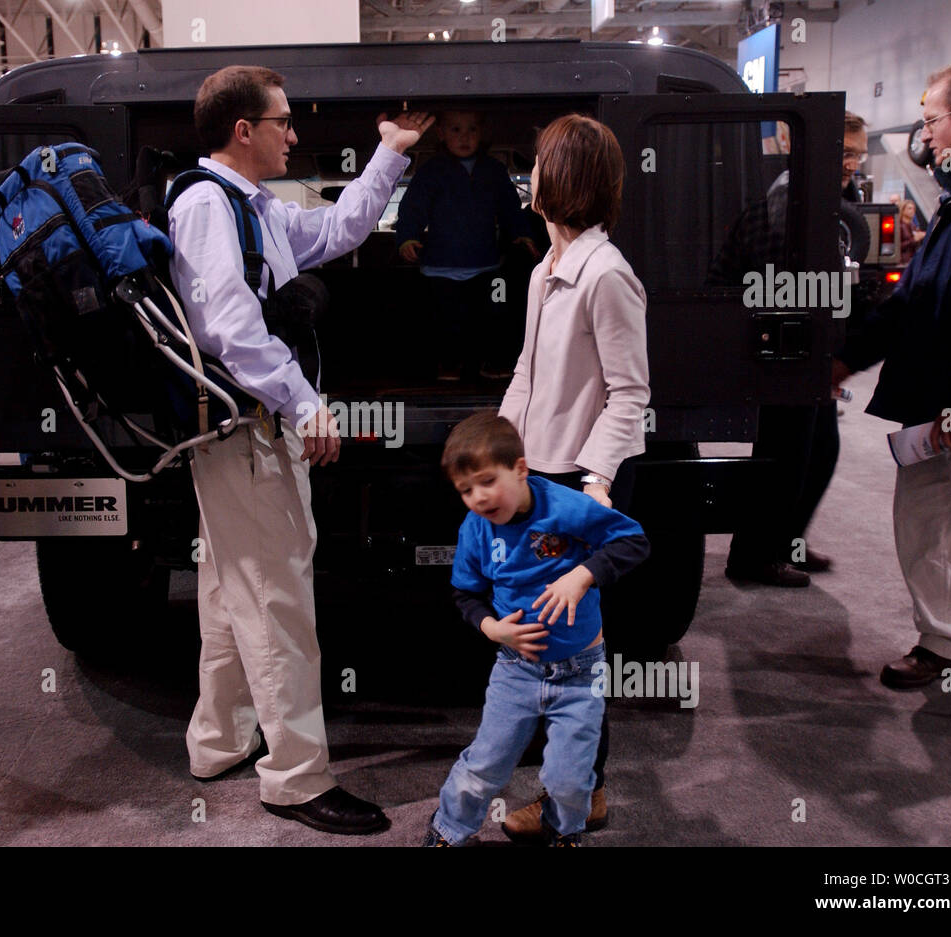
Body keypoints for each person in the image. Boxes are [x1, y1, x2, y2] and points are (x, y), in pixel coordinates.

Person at [167, 65, 432, 834]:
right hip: (249, 432)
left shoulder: (254, 208)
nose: (294, 132)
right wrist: (306, 403)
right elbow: (228, 325)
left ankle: (216, 742)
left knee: (230, 590)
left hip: (242, 434)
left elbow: (341, 231)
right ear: (242, 130)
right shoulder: (210, 206)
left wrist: (390, 152)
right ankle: (295, 778)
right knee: (277, 598)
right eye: (282, 121)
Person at [833, 60, 951, 754]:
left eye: (931, 118)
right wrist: (846, 358)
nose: (923, 132)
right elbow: (916, 300)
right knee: (922, 525)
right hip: (935, 402)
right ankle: (942, 643)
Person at [495, 113, 650, 841]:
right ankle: (568, 785)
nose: (529, 174)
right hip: (535, 474)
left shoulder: (607, 274)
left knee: (575, 651)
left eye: (537, 162)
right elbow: (528, 371)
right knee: (540, 643)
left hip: (574, 483)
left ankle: (579, 796)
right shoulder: (543, 270)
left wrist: (595, 480)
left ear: (560, 179)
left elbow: (630, 392)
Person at [423, 412, 648, 846]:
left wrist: (581, 575)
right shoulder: (476, 529)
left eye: (488, 481)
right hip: (516, 669)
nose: (478, 498)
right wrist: (492, 628)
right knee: (485, 765)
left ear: (521, 469)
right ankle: (449, 827)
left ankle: (564, 830)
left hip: (582, 673)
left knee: (569, 777)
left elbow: (633, 541)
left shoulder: (567, 506)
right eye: (466, 490)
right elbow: (465, 595)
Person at [708, 113, 866, 587]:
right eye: (843, 152)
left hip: (798, 347)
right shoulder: (790, 198)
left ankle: (784, 544)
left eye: (856, 153)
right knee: (785, 456)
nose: (851, 163)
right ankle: (754, 557)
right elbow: (785, 287)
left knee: (816, 452)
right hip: (775, 346)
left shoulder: (822, 197)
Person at [396, 110, 536, 381]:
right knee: (448, 322)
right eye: (455, 130)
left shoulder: (494, 170)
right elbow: (413, 208)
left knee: (492, 318)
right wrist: (407, 237)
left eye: (472, 129)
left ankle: (491, 363)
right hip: (440, 267)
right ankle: (448, 365)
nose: (465, 137)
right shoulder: (431, 172)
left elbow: (510, 208)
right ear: (441, 133)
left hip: (486, 265)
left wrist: (522, 234)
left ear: (481, 132)